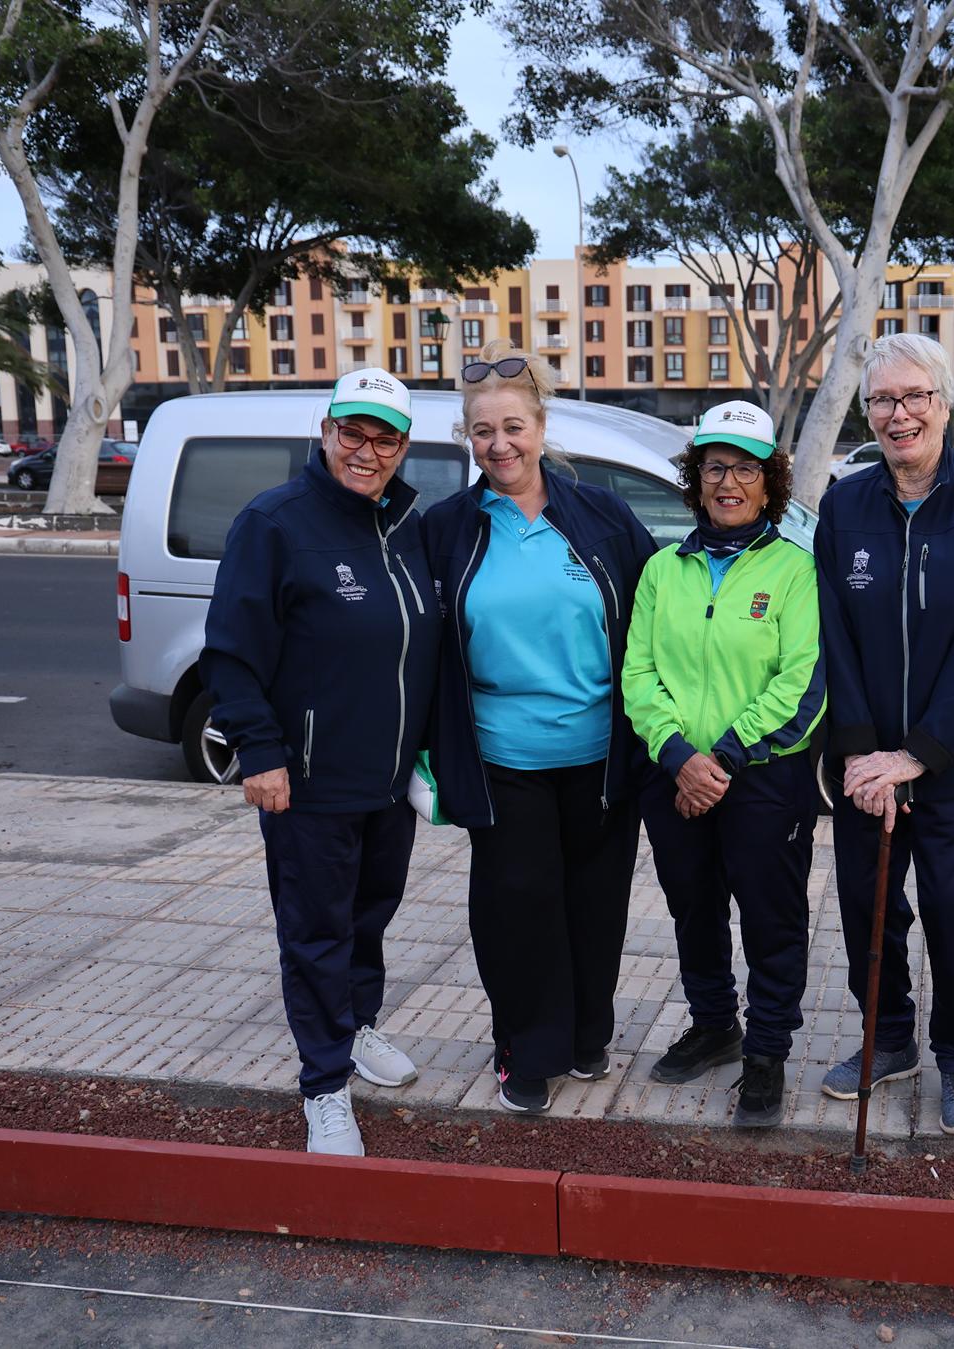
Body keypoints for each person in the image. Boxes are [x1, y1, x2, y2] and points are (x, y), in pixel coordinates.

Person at [201, 366, 441, 1156]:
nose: (366, 451)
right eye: (353, 432)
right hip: (307, 781)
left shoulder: (405, 525)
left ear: (404, 447)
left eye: (384, 438)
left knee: (367, 920)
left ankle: (356, 1027)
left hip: (388, 781)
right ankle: (324, 1087)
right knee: (315, 932)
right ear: (326, 428)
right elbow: (230, 656)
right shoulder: (275, 522)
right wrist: (260, 754)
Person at [421, 342, 656, 1115]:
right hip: (502, 759)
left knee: (596, 905)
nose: (499, 445)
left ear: (542, 424)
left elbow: (657, 619)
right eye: (481, 430)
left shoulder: (603, 516)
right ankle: (528, 1046)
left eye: (513, 426)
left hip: (599, 757)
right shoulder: (448, 528)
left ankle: (588, 1037)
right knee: (519, 909)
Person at [813, 332, 954, 1137]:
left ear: (944, 403)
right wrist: (864, 751)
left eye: (914, 397)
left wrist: (919, 755)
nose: (899, 415)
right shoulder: (845, 502)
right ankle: (888, 1038)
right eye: (883, 401)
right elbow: (835, 633)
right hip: (866, 764)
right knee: (869, 908)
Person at [622, 401, 825, 1127]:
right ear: (696, 477)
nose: (728, 481)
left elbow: (802, 681)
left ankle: (766, 1051)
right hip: (674, 774)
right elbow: (638, 673)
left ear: (769, 482)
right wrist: (679, 755)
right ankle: (715, 1024)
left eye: (745, 467)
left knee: (771, 917)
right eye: (715, 466)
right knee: (693, 905)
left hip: (764, 777)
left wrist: (724, 758)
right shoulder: (660, 572)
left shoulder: (798, 571)